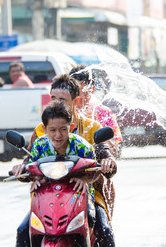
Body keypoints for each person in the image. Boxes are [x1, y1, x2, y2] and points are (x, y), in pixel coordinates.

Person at [12, 74, 117, 247]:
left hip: (84, 192)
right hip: (48, 196)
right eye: (53, 98)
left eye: (62, 99)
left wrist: (105, 163)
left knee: (104, 229)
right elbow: (31, 159)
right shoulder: (41, 132)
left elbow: (104, 153)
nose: (57, 134)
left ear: (76, 102)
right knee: (23, 230)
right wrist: (26, 171)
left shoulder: (91, 129)